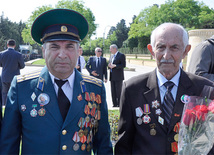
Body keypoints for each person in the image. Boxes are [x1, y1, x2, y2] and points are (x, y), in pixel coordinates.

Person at [0, 9, 113, 155]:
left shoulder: (95, 88)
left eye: (69, 46)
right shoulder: (22, 87)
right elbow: (9, 145)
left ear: (79, 51)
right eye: (54, 46)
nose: (62, 54)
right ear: (43, 51)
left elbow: (103, 144)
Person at [115, 23, 214, 155]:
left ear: (185, 51)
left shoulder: (204, 90)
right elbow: (124, 145)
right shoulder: (132, 89)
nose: (166, 55)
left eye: (174, 48)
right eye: (161, 47)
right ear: (151, 50)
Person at [0, 39, 25, 106]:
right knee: (14, 94)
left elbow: (0, 64)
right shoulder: (18, 54)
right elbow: (22, 66)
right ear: (14, 45)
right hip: (15, 77)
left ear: (7, 45)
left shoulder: (1, 54)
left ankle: (4, 107)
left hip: (4, 77)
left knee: (4, 94)